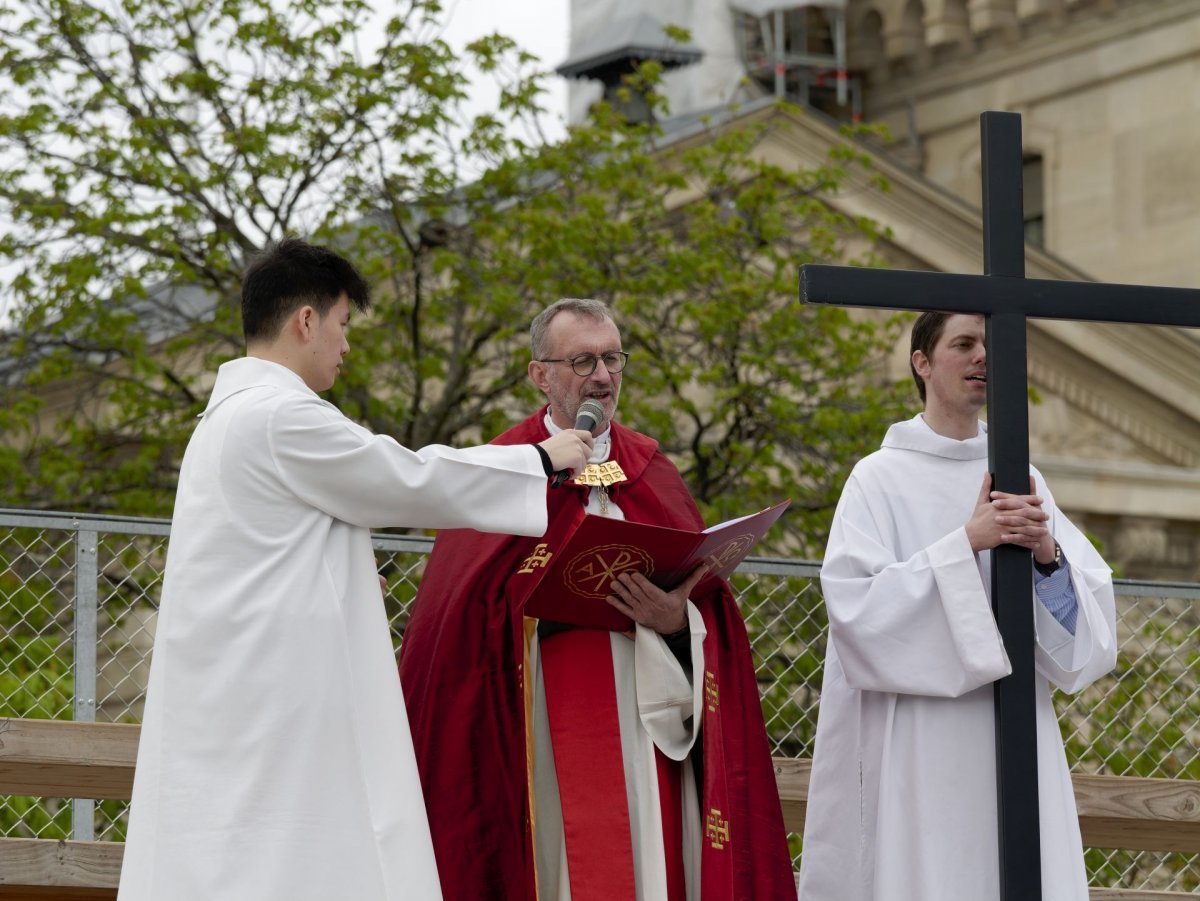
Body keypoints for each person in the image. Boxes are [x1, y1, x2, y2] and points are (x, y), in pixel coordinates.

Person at [117, 239, 592, 901]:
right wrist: (537, 460)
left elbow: (271, 547)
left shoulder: (226, 418)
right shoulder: (281, 415)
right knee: (291, 856)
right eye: (342, 325)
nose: (346, 346)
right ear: (305, 321)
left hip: (244, 690)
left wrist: (332, 577)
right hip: (277, 700)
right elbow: (401, 476)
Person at [399, 298, 795, 900]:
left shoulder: (652, 469)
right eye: (583, 361)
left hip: (647, 711)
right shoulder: (501, 469)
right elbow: (458, 613)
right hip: (537, 715)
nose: (603, 377)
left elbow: (708, 603)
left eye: (612, 359)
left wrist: (677, 620)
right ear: (541, 374)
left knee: (648, 861)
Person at [798, 312, 1118, 901]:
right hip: (923, 739)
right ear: (922, 363)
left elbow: (1084, 640)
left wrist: (1047, 555)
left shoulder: (1021, 473)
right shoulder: (878, 478)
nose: (980, 358)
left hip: (1017, 728)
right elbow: (855, 614)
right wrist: (966, 543)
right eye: (963, 345)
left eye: (988, 346)